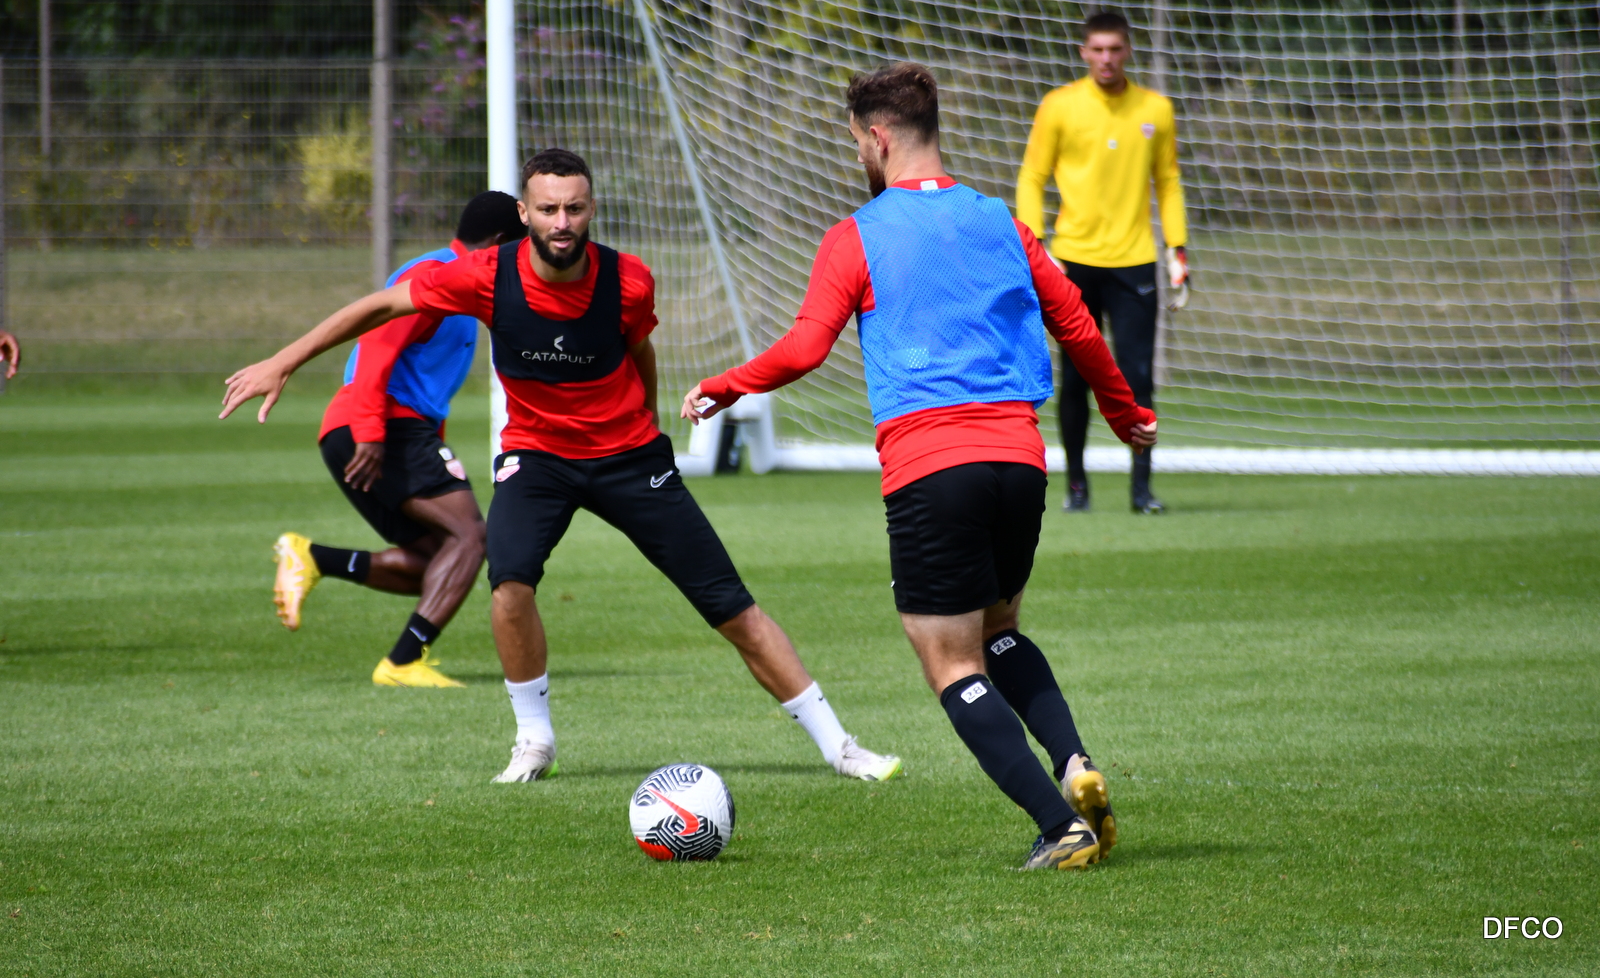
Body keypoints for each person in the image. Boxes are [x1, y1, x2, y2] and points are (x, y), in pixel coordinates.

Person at [221, 149, 902, 786]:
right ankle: (534, 740)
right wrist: (285, 360)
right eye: (547, 209)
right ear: (524, 214)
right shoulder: (483, 275)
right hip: (537, 458)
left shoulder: (629, 280)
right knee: (508, 580)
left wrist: (653, 430)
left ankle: (840, 748)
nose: (562, 223)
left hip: (629, 456)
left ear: (591, 209)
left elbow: (639, 352)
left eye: (574, 209)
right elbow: (379, 308)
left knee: (730, 606)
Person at [683, 63, 1157, 869]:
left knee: (948, 659)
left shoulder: (856, 234)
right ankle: (1075, 763)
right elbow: (1075, 323)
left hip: (932, 466)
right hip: (1019, 461)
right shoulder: (1004, 222)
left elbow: (806, 347)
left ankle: (1059, 826)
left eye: (856, 143)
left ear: (877, 137)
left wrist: (726, 386)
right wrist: (1125, 412)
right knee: (1000, 627)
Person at [270, 191, 527, 688]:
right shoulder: (436, 275)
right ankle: (403, 662)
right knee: (474, 537)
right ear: (499, 245)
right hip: (379, 425)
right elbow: (376, 348)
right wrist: (371, 432)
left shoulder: (460, 281)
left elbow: (426, 389)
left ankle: (313, 557)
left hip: (388, 427)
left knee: (439, 560)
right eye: (520, 250)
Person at [1015, 9, 1189, 514]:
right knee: (1075, 378)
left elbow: (1169, 182)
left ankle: (1141, 488)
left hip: (1135, 263)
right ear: (1084, 52)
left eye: (1116, 49)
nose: (1107, 58)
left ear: (1128, 51)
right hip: (1072, 264)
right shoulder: (1059, 106)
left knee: (1138, 378)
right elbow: (1031, 177)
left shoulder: (1156, 108)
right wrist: (1039, 245)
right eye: (1098, 49)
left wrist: (1177, 249)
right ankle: (1077, 488)